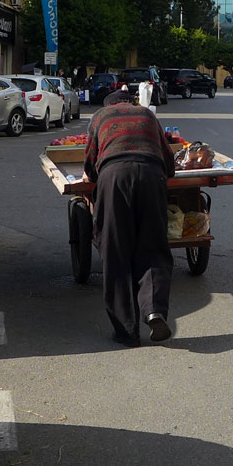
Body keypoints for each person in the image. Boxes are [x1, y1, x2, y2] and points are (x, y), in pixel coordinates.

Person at [83, 90, 177, 346]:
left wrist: (93, 178)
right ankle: (154, 310)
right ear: (129, 103)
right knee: (154, 247)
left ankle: (126, 330)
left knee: (116, 251)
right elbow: (169, 161)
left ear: (109, 105)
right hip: (151, 174)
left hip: (114, 176)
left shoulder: (100, 117)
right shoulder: (147, 114)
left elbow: (90, 162)